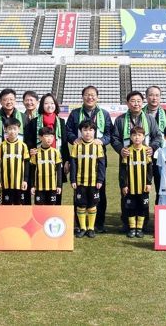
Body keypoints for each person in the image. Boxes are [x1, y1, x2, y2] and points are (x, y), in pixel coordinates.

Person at [112, 91, 162, 231]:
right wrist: (120, 149)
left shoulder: (149, 119)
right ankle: (126, 223)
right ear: (127, 103)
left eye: (139, 101)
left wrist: (152, 147)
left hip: (144, 161)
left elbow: (158, 136)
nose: (136, 104)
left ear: (142, 102)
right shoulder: (121, 120)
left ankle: (143, 224)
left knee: (144, 191)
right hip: (127, 161)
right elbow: (114, 138)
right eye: (133, 101)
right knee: (126, 190)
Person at [65, 86, 112, 233]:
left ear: (97, 97)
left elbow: (110, 134)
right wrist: (74, 139)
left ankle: (98, 224)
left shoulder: (104, 114)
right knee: (79, 193)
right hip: (79, 159)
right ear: (82, 97)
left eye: (92, 95)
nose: (90, 97)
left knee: (99, 191)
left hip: (97, 158)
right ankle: (80, 224)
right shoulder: (75, 113)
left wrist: (102, 141)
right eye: (87, 95)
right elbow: (68, 131)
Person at [25, 93, 70, 205]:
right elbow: (29, 140)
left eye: (52, 103)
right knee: (40, 197)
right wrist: (31, 150)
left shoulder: (61, 122)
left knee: (56, 196)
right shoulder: (34, 122)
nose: (49, 105)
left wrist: (66, 160)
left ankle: (55, 216)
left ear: (56, 105)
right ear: (42, 105)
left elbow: (64, 143)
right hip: (39, 164)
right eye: (46, 103)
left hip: (56, 163)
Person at [70, 120, 106, 238]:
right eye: (85, 130)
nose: (88, 133)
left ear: (94, 132)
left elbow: (101, 164)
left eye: (91, 130)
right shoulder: (76, 145)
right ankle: (82, 228)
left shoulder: (98, 146)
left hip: (94, 182)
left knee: (92, 205)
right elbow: (73, 163)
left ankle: (91, 228)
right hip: (80, 182)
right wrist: (73, 180)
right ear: (80, 131)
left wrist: (100, 180)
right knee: (81, 205)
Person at [120, 127, 153, 238]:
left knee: (142, 207)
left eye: (139, 135)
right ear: (130, 137)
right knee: (131, 207)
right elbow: (123, 170)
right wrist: (124, 185)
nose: (137, 137)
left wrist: (149, 183)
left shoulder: (146, 151)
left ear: (143, 137)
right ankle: (132, 228)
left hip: (143, 186)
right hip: (131, 187)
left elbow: (149, 169)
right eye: (134, 135)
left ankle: (139, 228)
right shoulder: (127, 151)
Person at [143, 85, 166, 204]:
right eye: (151, 95)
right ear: (146, 97)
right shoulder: (139, 114)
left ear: (160, 97)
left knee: (162, 185)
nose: (154, 98)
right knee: (143, 185)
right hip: (143, 155)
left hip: (162, 155)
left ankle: (159, 210)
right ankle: (142, 213)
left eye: (157, 95)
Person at [0, 117, 30, 205]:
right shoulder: (1, 146)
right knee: (6, 206)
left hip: (19, 183)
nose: (12, 131)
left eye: (15, 128)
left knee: (19, 206)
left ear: (19, 130)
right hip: (5, 183)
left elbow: (26, 164)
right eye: (9, 129)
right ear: (5, 129)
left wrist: (25, 180)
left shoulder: (23, 146)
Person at [30, 126, 63, 205]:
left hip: (52, 187)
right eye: (46, 136)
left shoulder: (56, 152)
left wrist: (59, 185)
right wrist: (32, 186)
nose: (49, 138)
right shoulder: (36, 152)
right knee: (39, 208)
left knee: (51, 208)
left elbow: (59, 170)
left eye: (51, 136)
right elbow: (32, 171)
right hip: (39, 187)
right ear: (40, 137)